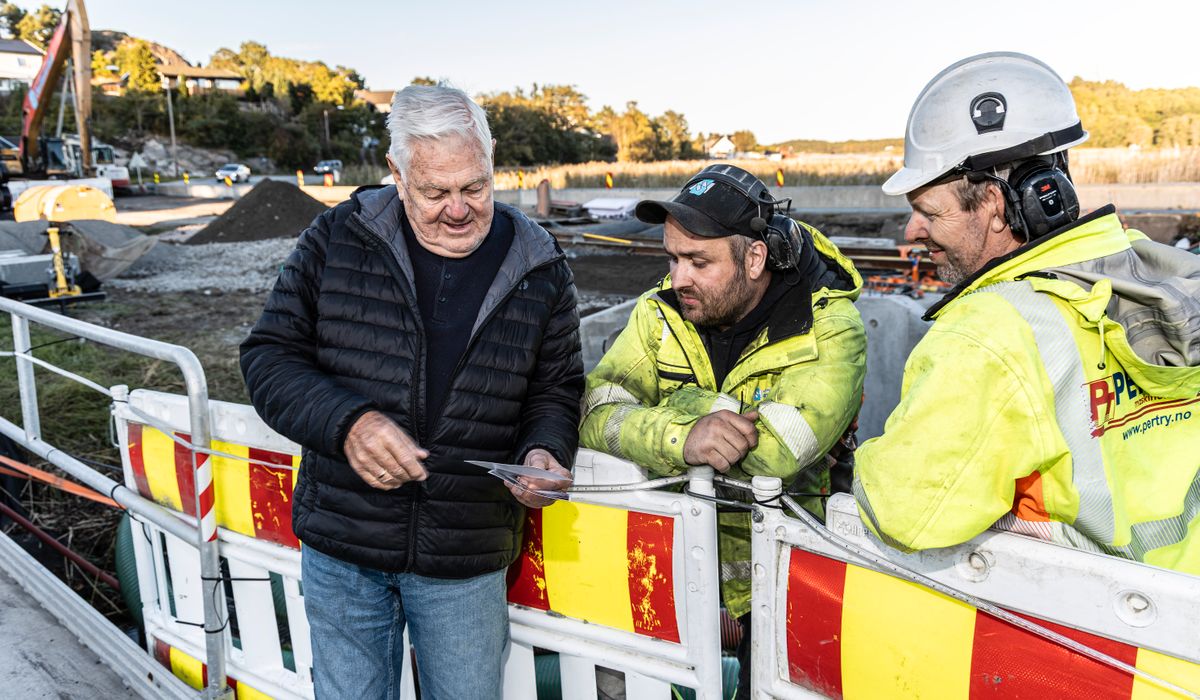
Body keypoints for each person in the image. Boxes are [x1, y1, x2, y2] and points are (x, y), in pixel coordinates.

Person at [240, 85, 583, 698]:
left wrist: (544, 450)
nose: (459, 209)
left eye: (475, 187)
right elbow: (269, 358)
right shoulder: (336, 238)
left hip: (466, 553)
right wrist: (349, 424)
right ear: (396, 174)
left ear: (491, 159)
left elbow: (555, 387)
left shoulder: (539, 263)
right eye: (435, 192)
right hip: (345, 546)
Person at [854, 52, 1200, 572]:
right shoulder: (1158, 270)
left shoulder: (990, 332)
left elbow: (902, 513)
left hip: (1104, 638)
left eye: (928, 212)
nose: (911, 233)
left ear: (995, 203)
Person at [579, 164, 866, 696]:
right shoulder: (659, 312)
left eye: (697, 261)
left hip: (786, 584)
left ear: (754, 258)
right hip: (671, 568)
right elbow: (594, 408)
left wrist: (671, 405)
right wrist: (684, 432)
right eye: (672, 258)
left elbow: (778, 453)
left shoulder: (828, 328)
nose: (677, 277)